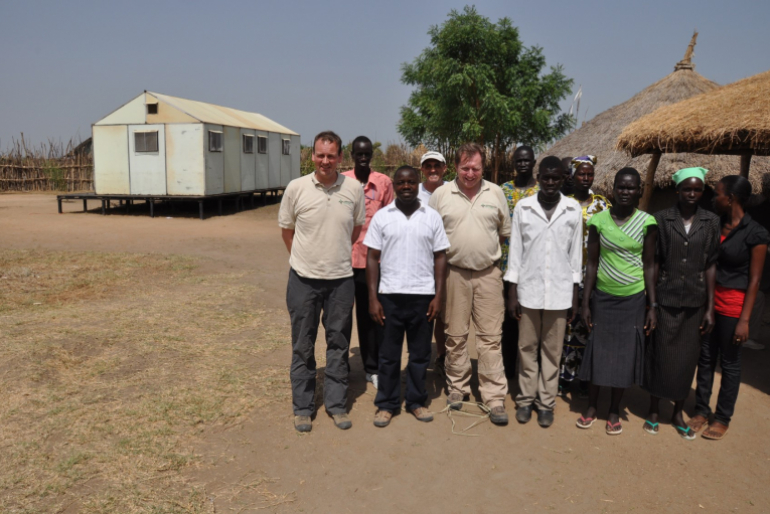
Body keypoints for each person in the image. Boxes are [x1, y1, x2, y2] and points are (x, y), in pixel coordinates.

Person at [278, 130, 365, 433]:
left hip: (341, 281)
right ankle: (303, 407)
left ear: (341, 157)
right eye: (320, 154)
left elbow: (354, 231)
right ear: (312, 155)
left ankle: (337, 404)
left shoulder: (354, 189)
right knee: (303, 345)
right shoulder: (296, 188)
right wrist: (307, 260)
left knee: (338, 343)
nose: (325, 161)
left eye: (331, 155)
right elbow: (287, 230)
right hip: (303, 281)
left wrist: (332, 257)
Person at [429, 143, 511, 425]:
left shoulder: (495, 193)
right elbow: (431, 237)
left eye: (475, 168)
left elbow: (503, 233)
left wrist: (482, 255)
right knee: (456, 335)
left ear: (483, 168)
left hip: (488, 275)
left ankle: (493, 396)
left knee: (490, 337)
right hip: (454, 274)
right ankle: (457, 388)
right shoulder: (441, 195)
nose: (470, 173)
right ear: (455, 167)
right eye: (465, 167)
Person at [364, 166, 450, 427]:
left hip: (423, 296)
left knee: (420, 354)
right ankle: (387, 404)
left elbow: (440, 256)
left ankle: (416, 401)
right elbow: (371, 257)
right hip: (389, 296)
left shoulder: (431, 217)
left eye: (411, 182)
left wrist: (438, 295)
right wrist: (372, 297)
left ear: (417, 184)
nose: (406, 187)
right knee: (388, 355)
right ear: (395, 184)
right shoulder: (382, 217)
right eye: (401, 182)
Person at [577, 167, 657, 435]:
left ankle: (613, 410)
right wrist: (586, 302)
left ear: (639, 191)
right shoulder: (598, 221)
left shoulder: (647, 223)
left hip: (633, 299)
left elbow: (649, 265)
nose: (625, 192)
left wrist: (651, 305)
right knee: (597, 352)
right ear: (613, 189)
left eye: (631, 188)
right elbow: (591, 263)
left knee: (624, 357)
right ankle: (591, 407)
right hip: (603, 297)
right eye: (621, 187)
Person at [689, 175, 769, 441]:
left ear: (731, 198)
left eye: (718, 194)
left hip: (735, 305)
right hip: (710, 300)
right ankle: (701, 410)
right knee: (706, 357)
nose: (714, 198)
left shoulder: (756, 233)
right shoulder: (715, 225)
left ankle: (722, 417)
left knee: (730, 362)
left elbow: (755, 280)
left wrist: (745, 320)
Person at [643, 167, 719, 440]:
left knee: (687, 359)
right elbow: (652, 263)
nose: (692, 193)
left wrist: (710, 307)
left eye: (697, 189)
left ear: (702, 192)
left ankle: (676, 412)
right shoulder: (662, 219)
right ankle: (653, 410)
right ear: (677, 190)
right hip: (665, 299)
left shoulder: (710, 221)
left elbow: (710, 265)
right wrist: (651, 304)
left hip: (695, 303)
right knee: (659, 354)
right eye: (687, 189)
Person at [505, 156, 582, 428]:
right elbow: (515, 252)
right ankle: (525, 400)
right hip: (528, 290)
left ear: (564, 179)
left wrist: (574, 296)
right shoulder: (524, 208)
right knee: (527, 348)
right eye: (546, 178)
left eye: (556, 178)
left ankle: (546, 403)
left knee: (552, 351)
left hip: (560, 293)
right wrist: (512, 292)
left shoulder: (572, 210)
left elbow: (576, 258)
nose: (550, 183)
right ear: (538, 178)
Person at [342, 136, 394, 389]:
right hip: (343, 261)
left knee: (373, 314)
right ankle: (341, 367)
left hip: (374, 261)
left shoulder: (384, 183)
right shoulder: (342, 181)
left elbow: (391, 220)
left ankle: (373, 368)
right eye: (358, 154)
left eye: (367, 154)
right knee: (344, 316)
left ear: (372, 155)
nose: (363, 157)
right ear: (351, 154)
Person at [559, 156, 610, 395]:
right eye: (582, 174)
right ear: (573, 175)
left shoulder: (602, 205)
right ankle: (563, 377)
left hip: (594, 274)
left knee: (587, 325)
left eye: (590, 174)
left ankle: (584, 376)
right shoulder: (563, 203)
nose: (586, 178)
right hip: (565, 274)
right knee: (567, 325)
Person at [499, 146, 539, 379]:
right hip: (505, 265)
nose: (523, 164)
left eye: (527, 160)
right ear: (513, 162)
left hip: (533, 268)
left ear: (534, 162)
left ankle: (528, 371)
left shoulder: (543, 190)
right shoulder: (502, 190)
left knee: (531, 323)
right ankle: (507, 369)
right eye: (518, 160)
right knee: (508, 320)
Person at [417, 151, 450, 376]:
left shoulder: (452, 191)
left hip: (447, 259)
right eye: (428, 166)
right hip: (420, 261)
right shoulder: (413, 191)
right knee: (424, 311)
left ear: (445, 168)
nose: (432, 170)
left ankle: (441, 354)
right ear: (422, 169)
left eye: (436, 166)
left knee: (444, 311)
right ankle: (420, 356)